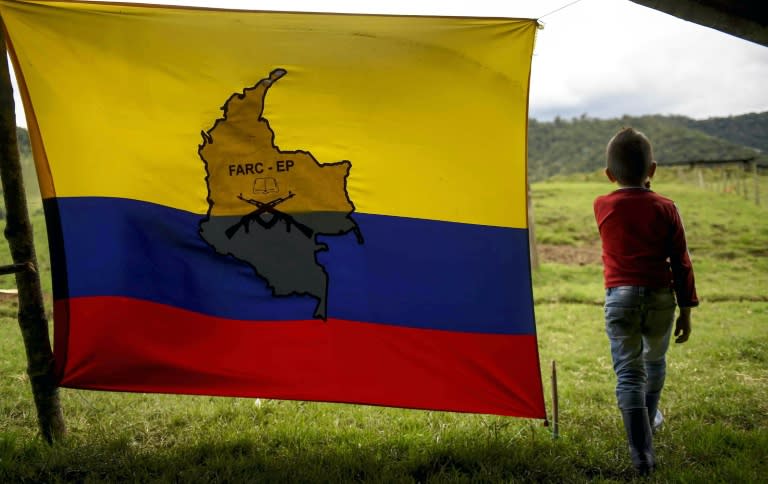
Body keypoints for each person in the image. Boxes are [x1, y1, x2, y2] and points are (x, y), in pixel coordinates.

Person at [593, 127, 698, 475]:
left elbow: (630, 211)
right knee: (654, 362)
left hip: (620, 297)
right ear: (653, 169)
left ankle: (642, 455)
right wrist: (686, 310)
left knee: (628, 373)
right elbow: (681, 261)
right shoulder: (667, 208)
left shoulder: (601, 205)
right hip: (660, 298)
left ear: (609, 175)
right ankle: (650, 418)